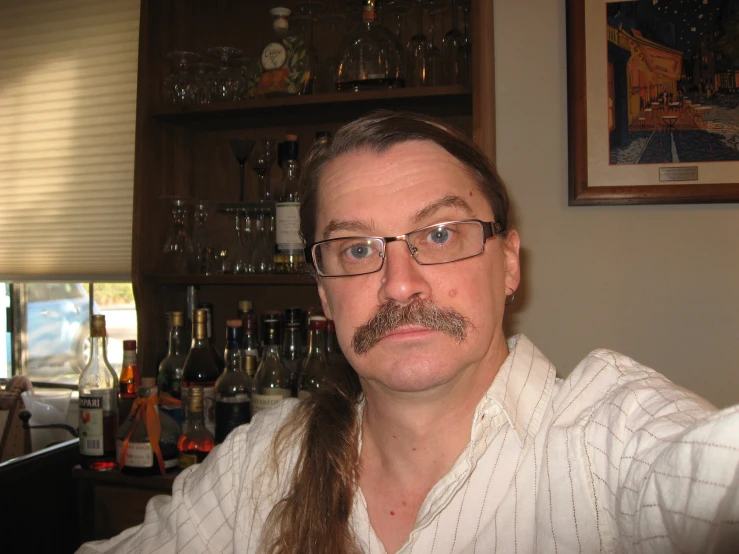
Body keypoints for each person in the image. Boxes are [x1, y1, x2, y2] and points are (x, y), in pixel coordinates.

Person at [77, 111, 739, 554]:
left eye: (441, 234)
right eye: (356, 249)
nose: (398, 284)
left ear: (507, 262)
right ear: (323, 295)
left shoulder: (609, 438)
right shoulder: (265, 461)